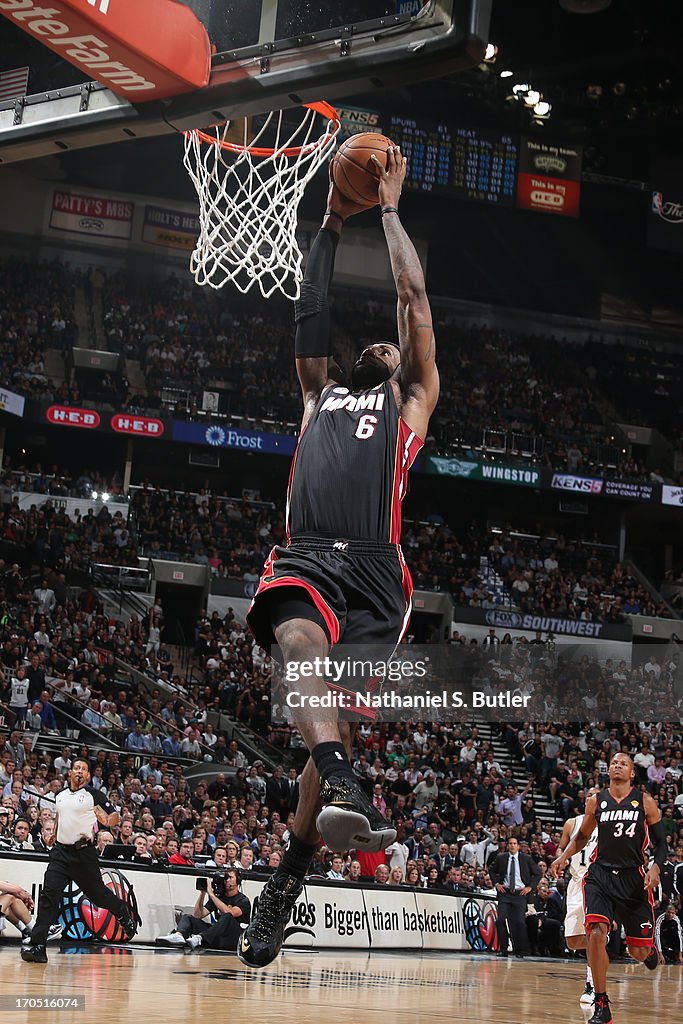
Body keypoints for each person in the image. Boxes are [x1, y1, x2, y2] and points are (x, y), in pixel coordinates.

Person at [239, 146, 439, 970]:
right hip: (308, 554)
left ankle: (286, 878)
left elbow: (412, 295)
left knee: (333, 733)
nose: (388, 353)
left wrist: (388, 209)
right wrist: (328, 219)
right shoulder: (317, 388)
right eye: (384, 349)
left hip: (376, 576)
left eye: (396, 352)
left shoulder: (414, 401)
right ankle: (335, 780)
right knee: (295, 651)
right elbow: (310, 303)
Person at [551, 753, 664, 1024]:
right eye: (614, 763)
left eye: (623, 763)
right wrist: (564, 856)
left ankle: (648, 951)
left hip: (633, 879)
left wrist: (656, 868)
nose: (617, 765)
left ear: (632, 773)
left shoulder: (645, 802)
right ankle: (601, 1003)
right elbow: (582, 837)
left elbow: (661, 845)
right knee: (596, 932)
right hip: (600, 875)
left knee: (636, 951)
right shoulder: (596, 801)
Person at [21, 759, 138, 963]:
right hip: (60, 853)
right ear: (70, 772)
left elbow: (115, 817)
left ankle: (121, 911)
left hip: (83, 854)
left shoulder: (94, 795)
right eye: (76, 768)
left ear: (88, 775)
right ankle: (38, 945)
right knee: (49, 894)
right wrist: (53, 835)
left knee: (98, 895)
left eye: (84, 769)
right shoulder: (61, 796)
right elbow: (60, 817)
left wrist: (105, 820)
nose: (79, 772)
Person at [557, 795, 599, 1005]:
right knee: (572, 940)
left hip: (597, 883)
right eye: (589, 798)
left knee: (594, 933)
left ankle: (591, 984)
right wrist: (559, 860)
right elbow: (561, 848)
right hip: (575, 882)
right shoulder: (572, 823)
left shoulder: (607, 825)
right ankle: (598, 943)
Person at [156, 869, 249, 951]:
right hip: (218, 936)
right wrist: (203, 893)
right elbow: (198, 915)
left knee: (227, 917)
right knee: (188, 917)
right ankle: (179, 935)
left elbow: (231, 913)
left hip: (234, 938)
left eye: (230, 878)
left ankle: (200, 938)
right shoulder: (219, 898)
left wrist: (212, 895)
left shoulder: (243, 900)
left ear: (238, 880)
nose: (226, 880)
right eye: (225, 878)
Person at [489, 836, 541, 958]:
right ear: (507, 846)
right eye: (510, 843)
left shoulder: (526, 859)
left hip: (520, 894)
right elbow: (491, 870)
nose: (512, 845)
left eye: (514, 843)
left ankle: (519, 950)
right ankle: (503, 949)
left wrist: (530, 887)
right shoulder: (501, 858)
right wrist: (496, 883)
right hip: (505, 893)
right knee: (500, 920)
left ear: (518, 846)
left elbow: (538, 873)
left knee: (520, 923)